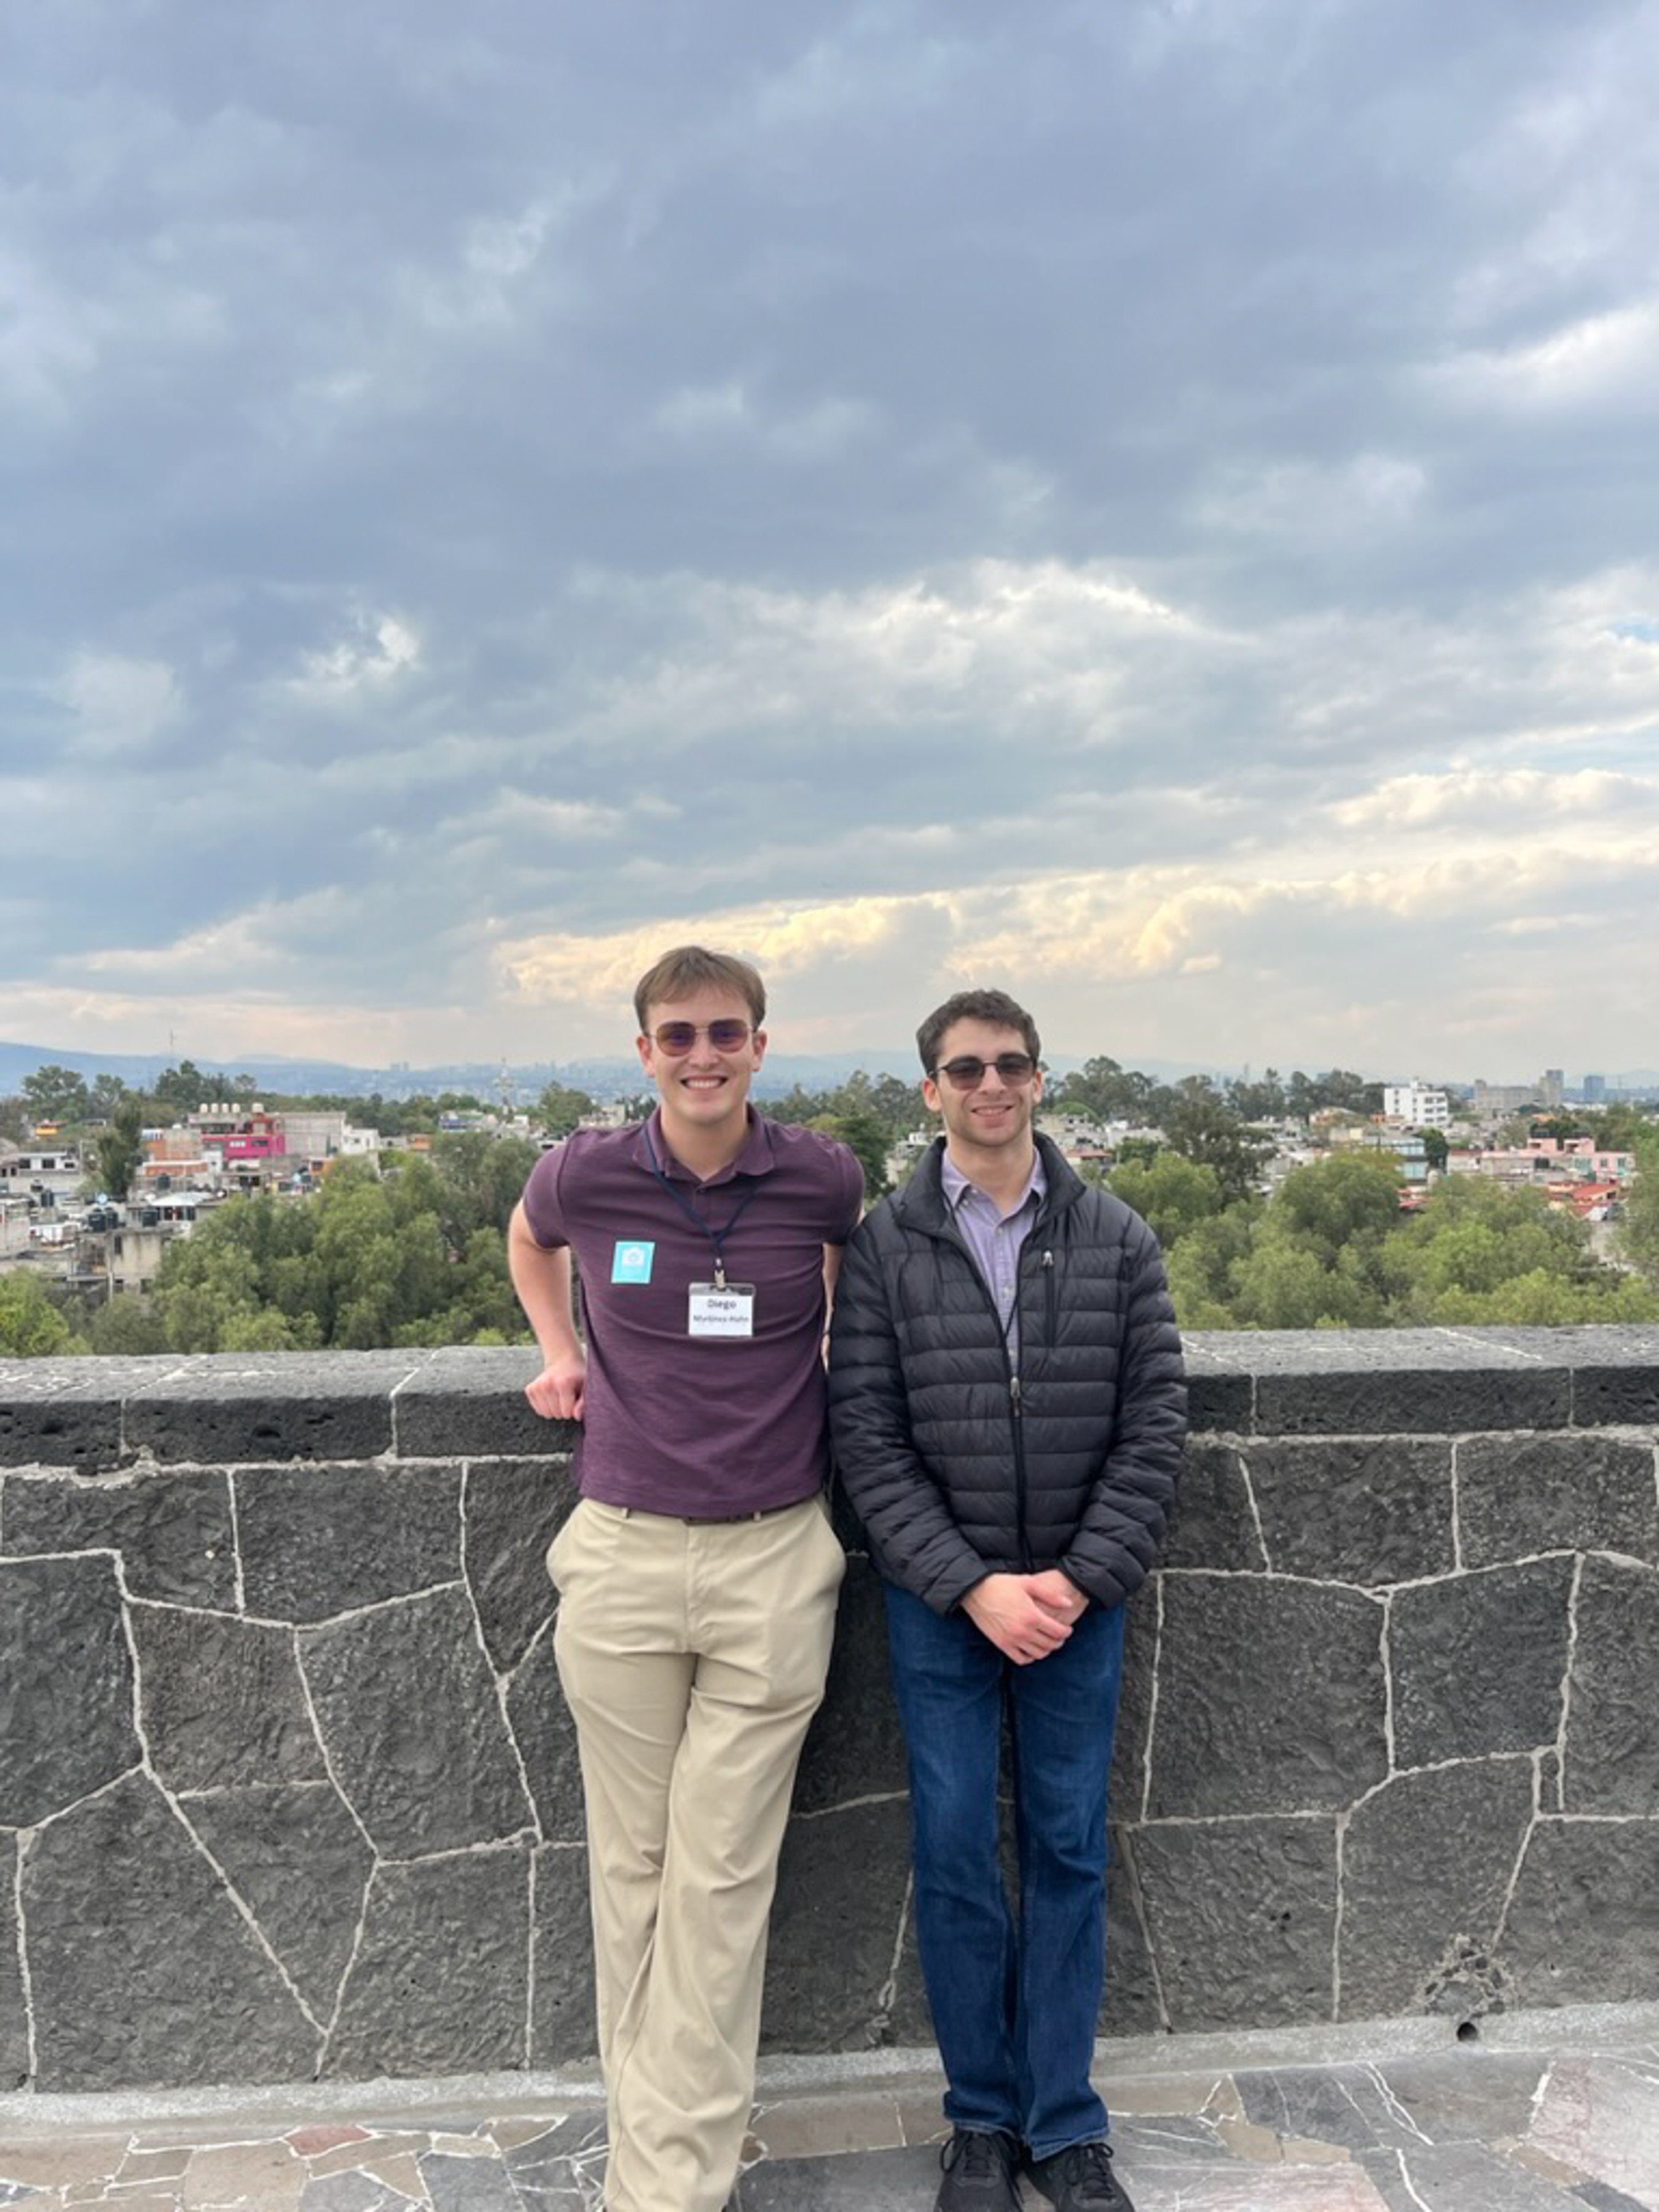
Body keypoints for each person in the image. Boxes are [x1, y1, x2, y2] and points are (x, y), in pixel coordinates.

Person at [508, 945, 863, 2212]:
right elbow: (529, 1235)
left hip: (774, 1552)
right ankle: (659, 2166)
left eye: (725, 1032)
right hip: (622, 1550)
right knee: (636, 1871)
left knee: (718, 1877)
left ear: (762, 1046)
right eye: (678, 1035)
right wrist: (559, 1350)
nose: (703, 1055)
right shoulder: (587, 1172)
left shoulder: (820, 1176)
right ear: (644, 1051)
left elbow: (844, 1297)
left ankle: (665, 2185)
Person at [826, 988, 1186, 2212]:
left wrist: (1079, 1582)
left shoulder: (1119, 1239)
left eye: (1011, 1064)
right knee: (956, 1854)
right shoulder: (886, 1245)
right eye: (965, 1067)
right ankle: (982, 2119)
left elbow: (1155, 1429)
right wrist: (973, 1585)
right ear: (930, 1089)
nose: (991, 1085)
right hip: (943, 1605)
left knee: (1070, 1850)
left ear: (1041, 1081)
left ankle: (1065, 2124)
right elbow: (866, 1443)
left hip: (1081, 1602)